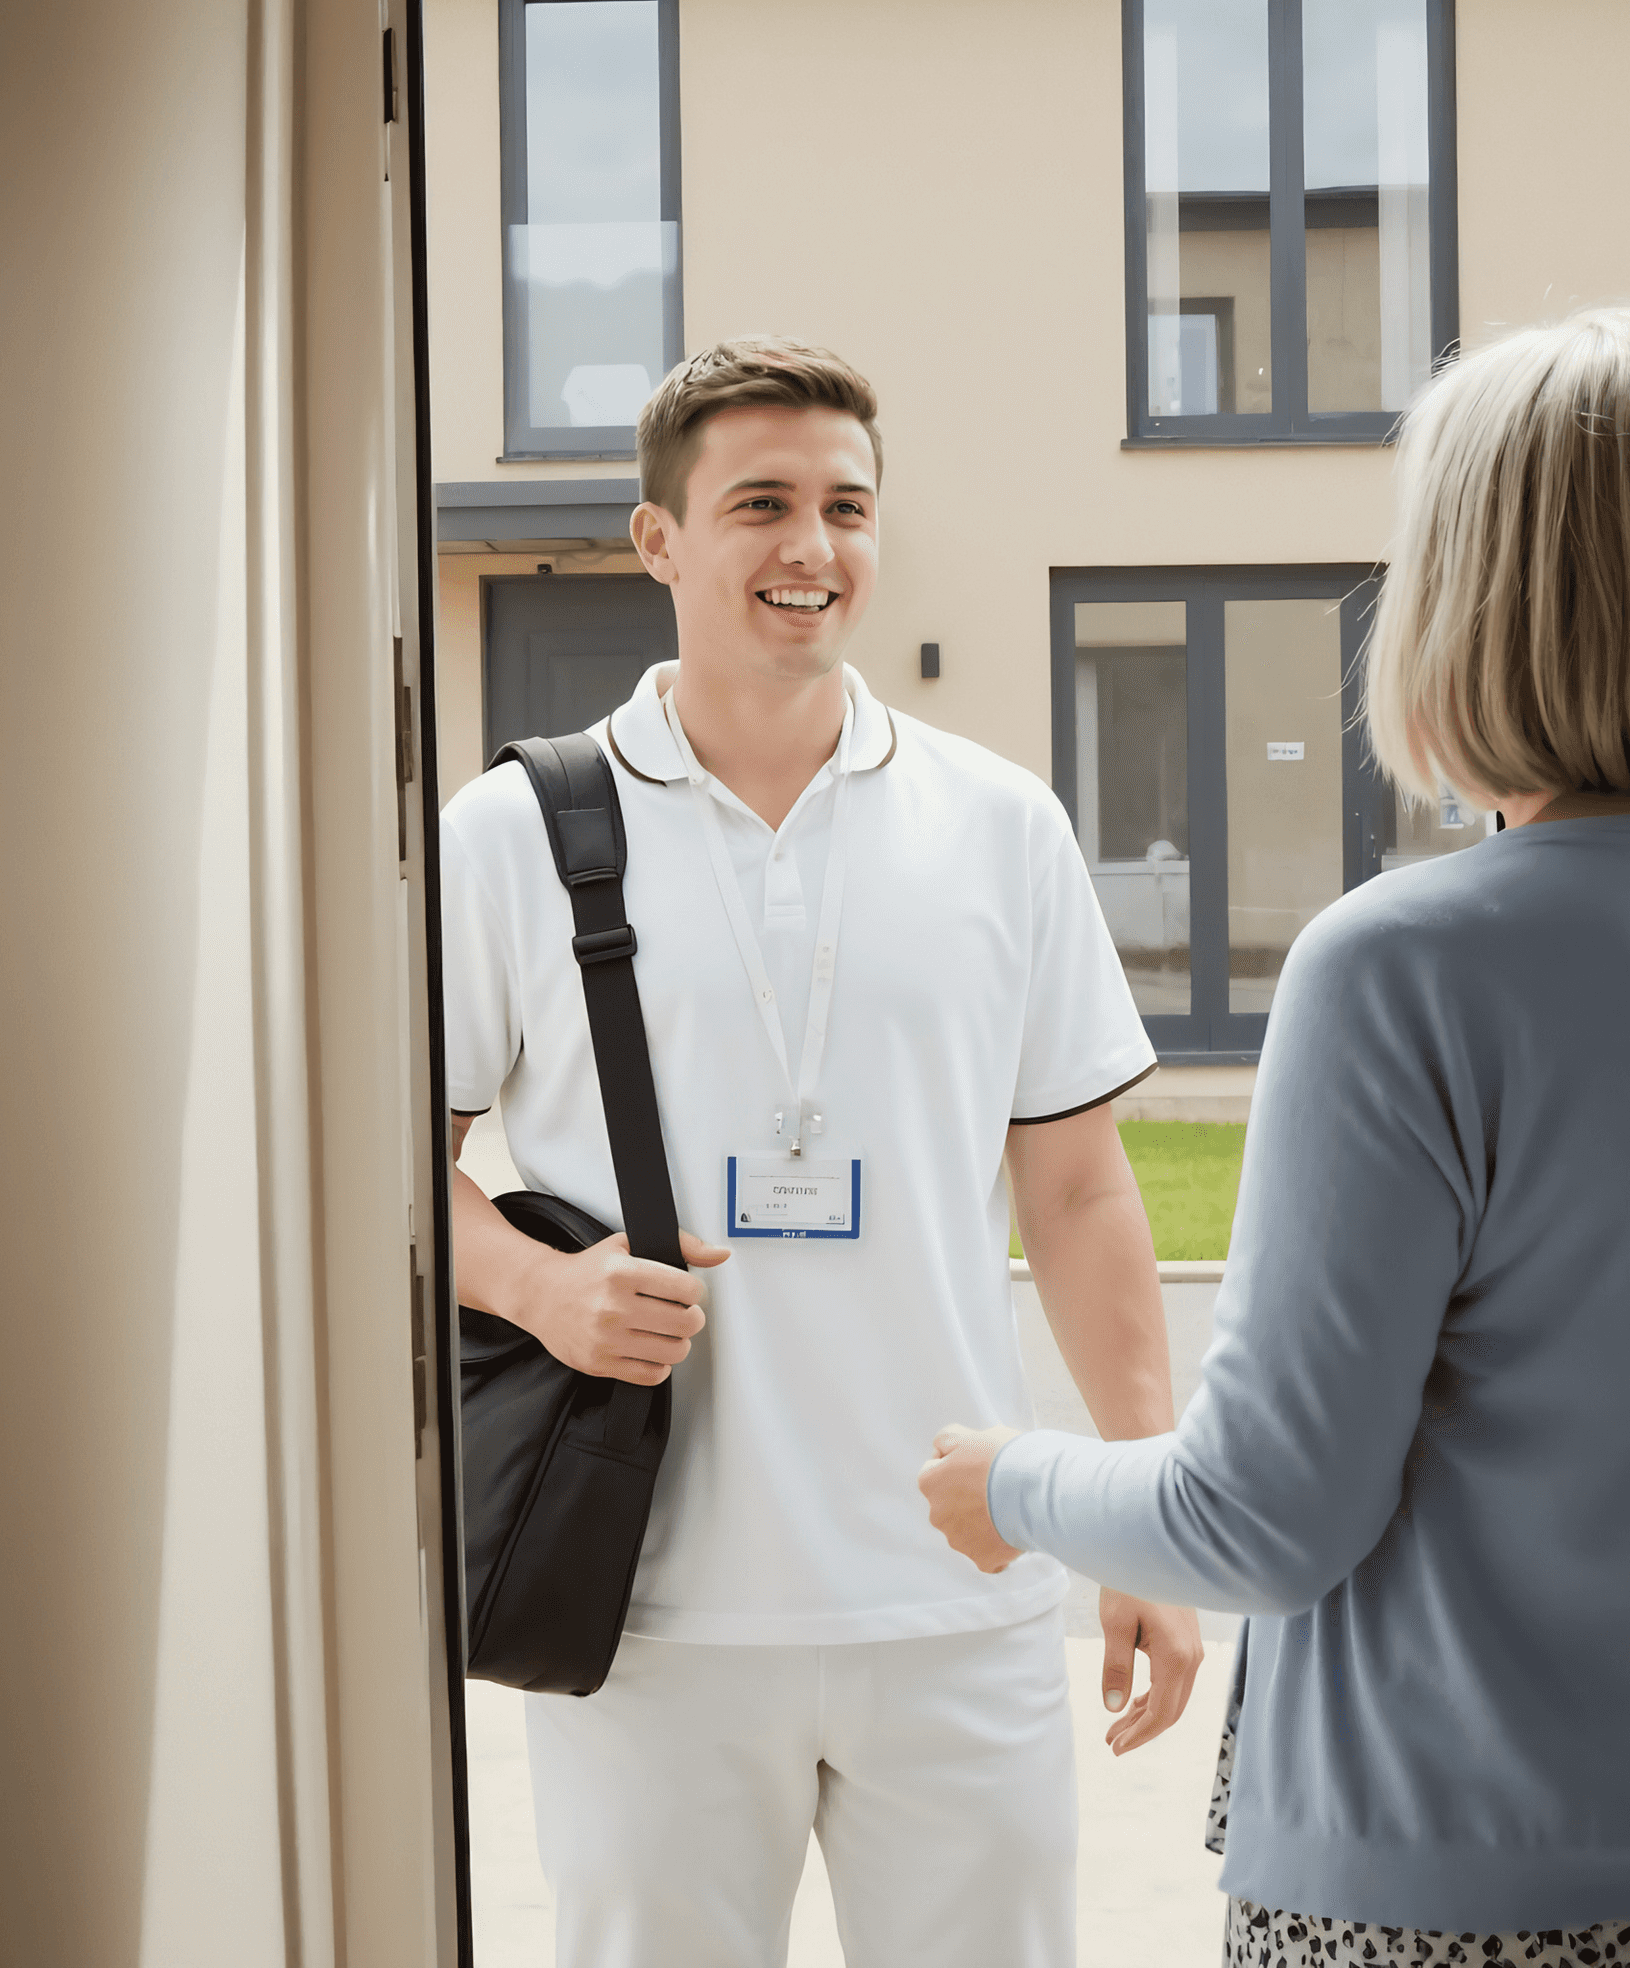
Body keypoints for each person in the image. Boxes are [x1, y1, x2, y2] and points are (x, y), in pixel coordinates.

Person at [921, 305, 1630, 1962]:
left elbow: (1263, 1518)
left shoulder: (1404, 969)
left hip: (1458, 1899)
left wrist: (1018, 1484)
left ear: (1478, 599)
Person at [443, 335, 1201, 1968]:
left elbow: (1078, 1194)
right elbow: (385, 1173)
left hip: (961, 1592)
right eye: (763, 505)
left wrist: (1140, 1509)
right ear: (659, 539)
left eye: (847, 508)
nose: (814, 550)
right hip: (648, 1609)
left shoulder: (1001, 823)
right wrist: (539, 1287)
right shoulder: (509, 833)